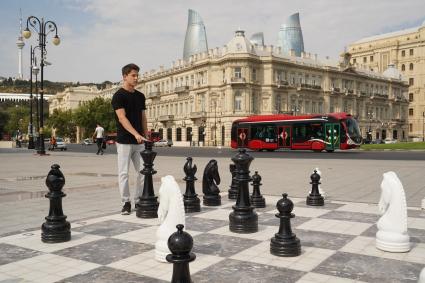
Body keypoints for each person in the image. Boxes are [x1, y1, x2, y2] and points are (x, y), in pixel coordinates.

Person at [111, 63, 148, 215]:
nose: (136, 78)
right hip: (125, 141)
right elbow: (122, 118)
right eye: (133, 75)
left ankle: (139, 200)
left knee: (143, 172)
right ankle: (126, 202)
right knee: (124, 173)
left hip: (140, 141)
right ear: (124, 76)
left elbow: (143, 118)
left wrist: (145, 136)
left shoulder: (140, 96)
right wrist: (135, 134)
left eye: (137, 75)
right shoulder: (118, 96)